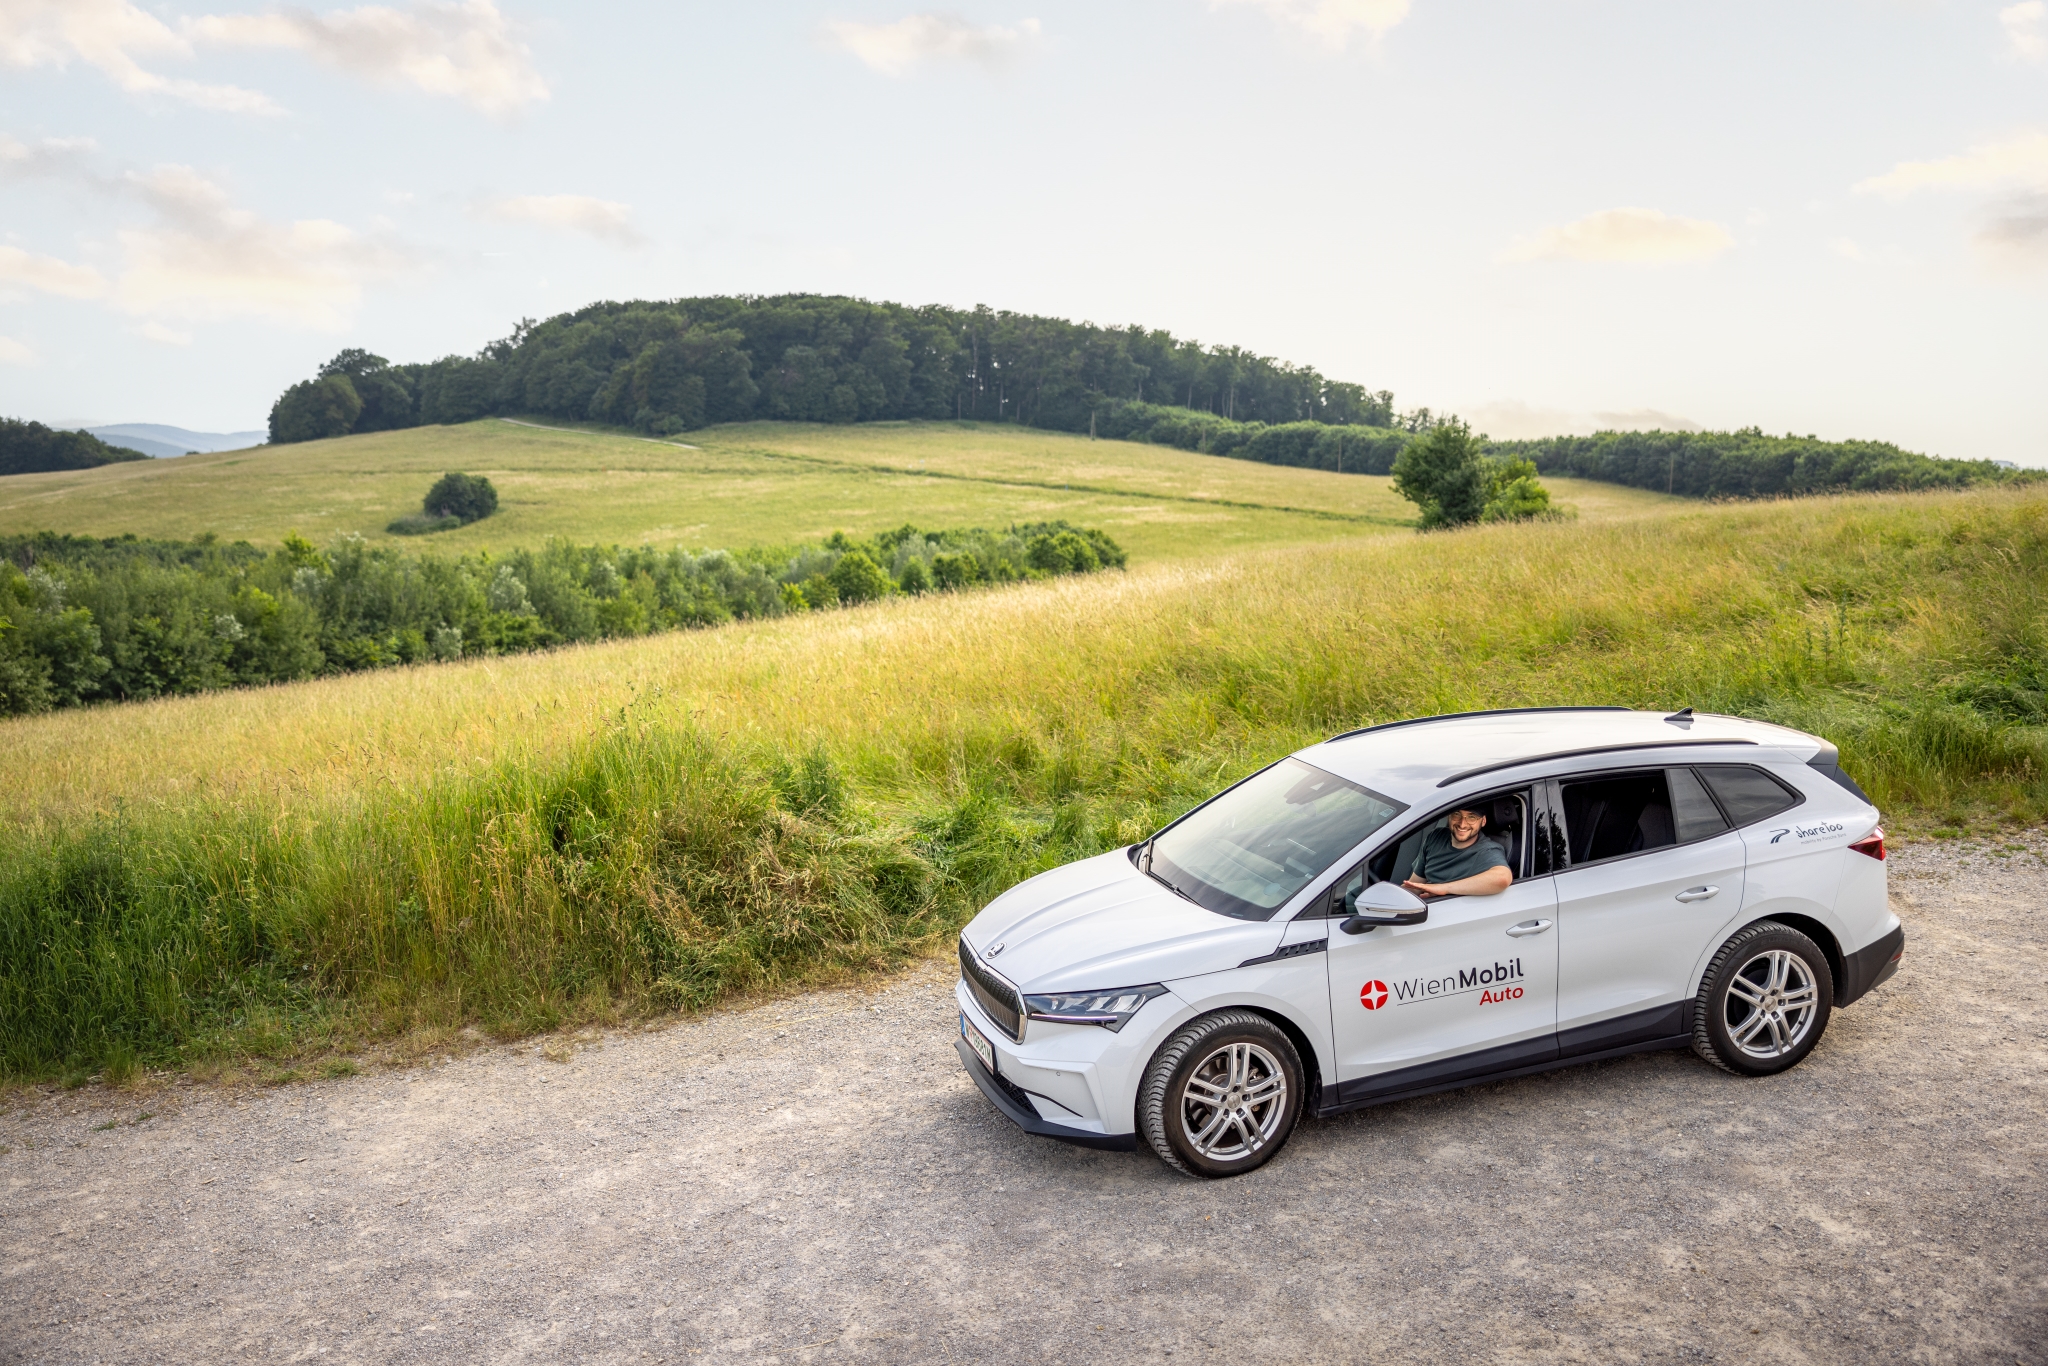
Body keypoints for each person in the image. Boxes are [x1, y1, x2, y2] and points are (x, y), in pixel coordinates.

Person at [1402, 803, 1513, 899]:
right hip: (1422, 908)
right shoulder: (1435, 837)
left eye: (1472, 817)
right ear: (1449, 816)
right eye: (1457, 814)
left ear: (1483, 821)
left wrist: (1443, 888)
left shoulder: (1487, 850)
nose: (1462, 824)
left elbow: (1502, 878)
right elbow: (1415, 886)